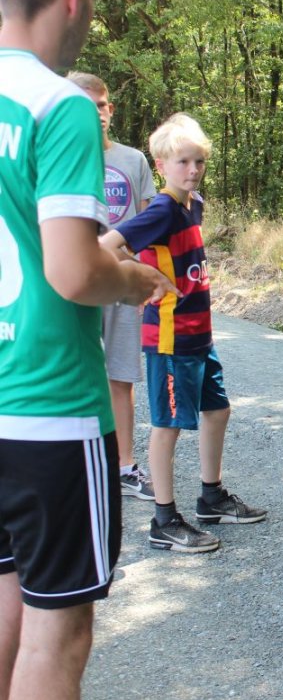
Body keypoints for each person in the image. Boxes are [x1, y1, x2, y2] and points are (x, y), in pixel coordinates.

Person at [0, 0, 175, 699]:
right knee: (58, 636)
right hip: (48, 408)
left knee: (6, 609)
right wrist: (133, 281)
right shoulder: (60, 103)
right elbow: (73, 272)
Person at [100, 113, 267, 553]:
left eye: (199, 162)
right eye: (183, 162)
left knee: (218, 410)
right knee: (168, 426)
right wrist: (142, 275)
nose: (193, 170)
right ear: (160, 166)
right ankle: (164, 519)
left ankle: (211, 498)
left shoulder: (193, 204)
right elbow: (106, 246)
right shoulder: (160, 210)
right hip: (170, 340)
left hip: (200, 336)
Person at [68, 70, 159, 501]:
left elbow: (150, 223)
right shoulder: (56, 156)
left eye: (101, 105)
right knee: (74, 376)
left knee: (121, 376)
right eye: (85, 106)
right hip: (77, 284)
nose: (96, 113)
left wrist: (145, 280)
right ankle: (78, 467)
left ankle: (124, 467)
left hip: (123, 284)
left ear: (111, 109)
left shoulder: (133, 160)